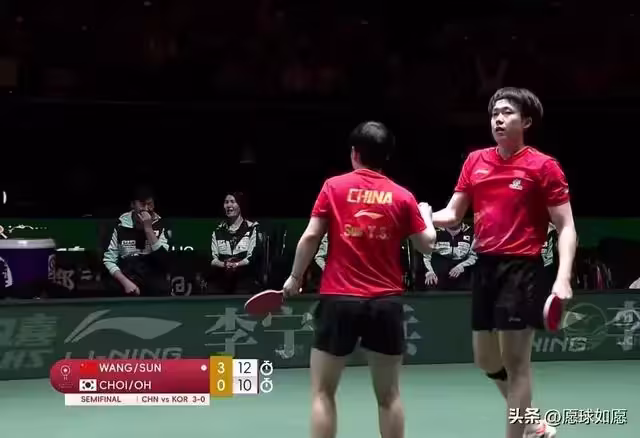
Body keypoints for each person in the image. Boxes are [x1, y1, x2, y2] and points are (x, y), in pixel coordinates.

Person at [430, 87, 577, 438]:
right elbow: (453, 214)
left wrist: (563, 277)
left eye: (507, 112)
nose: (498, 119)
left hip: (521, 269)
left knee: (517, 365)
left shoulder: (543, 167)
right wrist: (419, 217)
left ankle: (521, 432)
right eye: (495, 113)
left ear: (525, 121)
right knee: (485, 359)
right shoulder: (475, 161)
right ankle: (533, 422)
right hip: (485, 267)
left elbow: (566, 226)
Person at [281, 121, 437, 438]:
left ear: (354, 153)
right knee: (389, 396)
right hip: (385, 303)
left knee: (323, 393)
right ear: (386, 156)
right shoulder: (403, 196)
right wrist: (427, 215)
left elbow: (311, 236)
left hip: (339, 300)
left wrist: (295, 277)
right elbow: (426, 245)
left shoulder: (334, 187)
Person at [103, 186, 171, 296]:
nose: (147, 209)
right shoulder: (118, 226)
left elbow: (164, 260)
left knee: (161, 285)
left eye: (150, 204)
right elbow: (109, 261)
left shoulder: (161, 225)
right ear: (133, 205)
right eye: (143, 204)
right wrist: (125, 283)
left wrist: (148, 229)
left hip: (152, 275)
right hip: (127, 275)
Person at [208, 192, 260, 294]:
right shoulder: (217, 231)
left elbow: (252, 257)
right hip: (221, 284)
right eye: (226, 202)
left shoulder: (252, 228)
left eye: (232, 202)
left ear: (240, 205)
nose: (229, 205)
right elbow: (213, 259)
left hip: (245, 283)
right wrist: (225, 265)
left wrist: (236, 264)